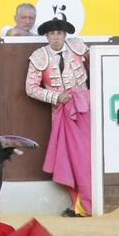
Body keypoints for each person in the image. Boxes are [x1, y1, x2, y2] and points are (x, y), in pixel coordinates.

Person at [25, 18, 92, 217]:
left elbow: (99, 64)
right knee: (70, 159)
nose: (56, 37)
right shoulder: (39, 56)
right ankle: (78, 205)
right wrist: (56, 96)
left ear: (65, 35)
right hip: (60, 112)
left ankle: (91, 201)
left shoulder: (79, 47)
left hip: (85, 108)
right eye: (52, 34)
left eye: (59, 33)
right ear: (47, 36)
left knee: (87, 156)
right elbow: (30, 88)